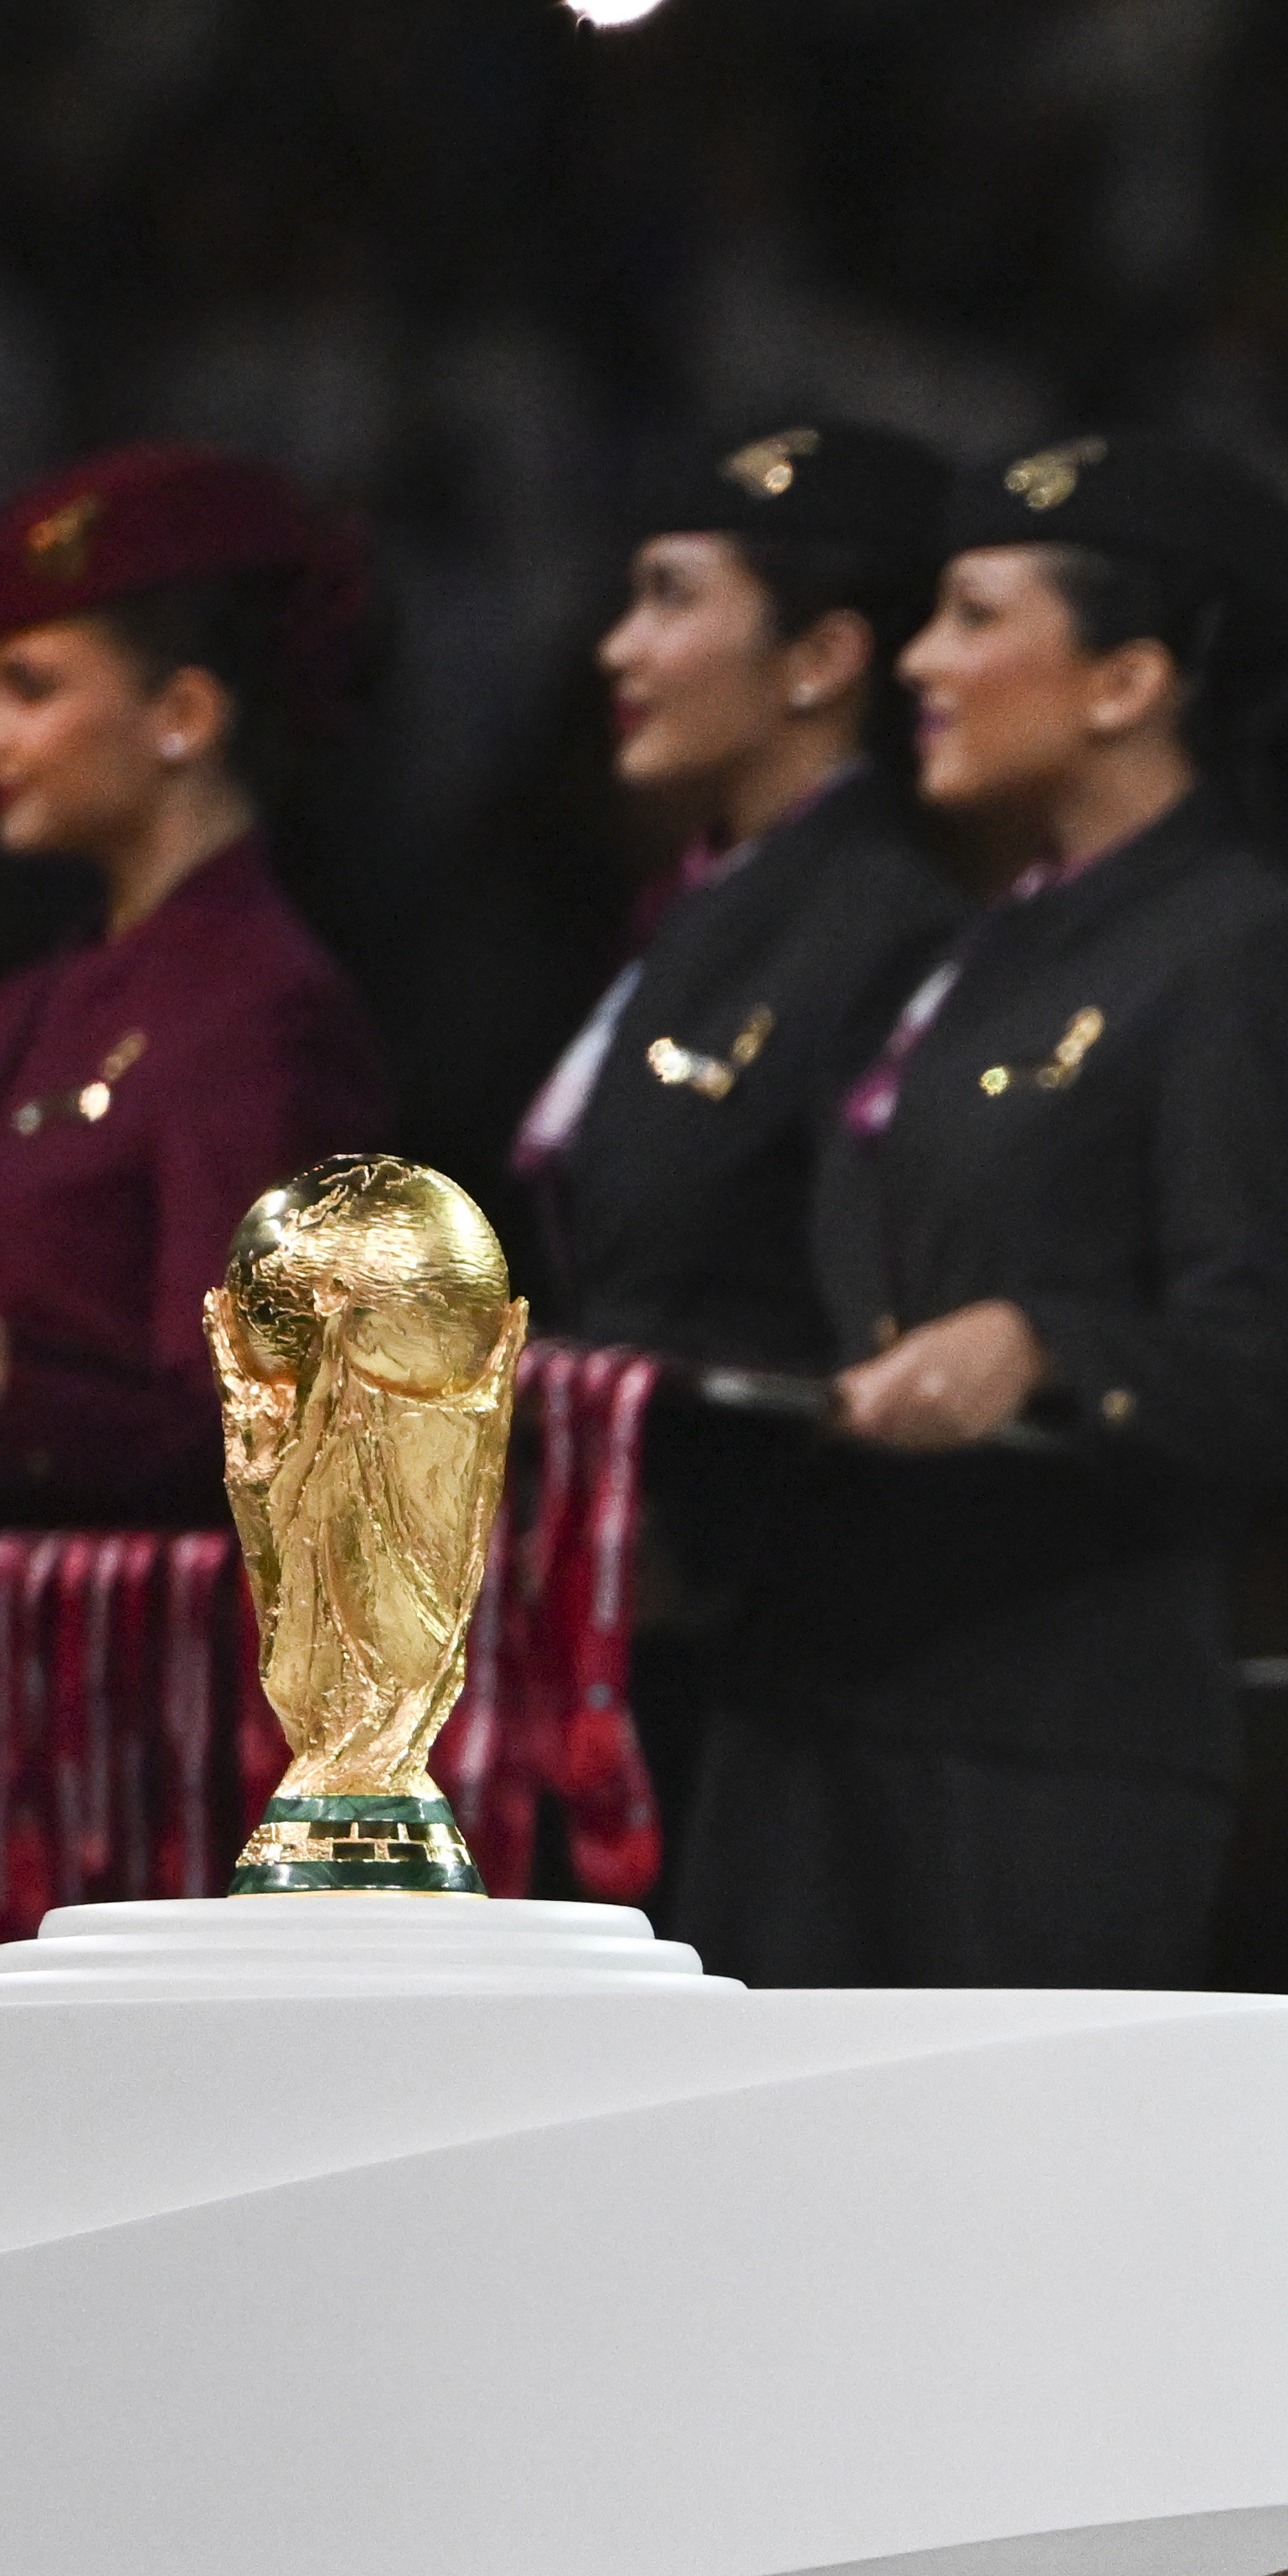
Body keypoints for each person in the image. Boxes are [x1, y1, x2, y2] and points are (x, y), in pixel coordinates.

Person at [539, 429, 1288, 2576]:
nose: (923, 657)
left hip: (1047, 1723)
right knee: (839, 2360)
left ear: (1132, 673)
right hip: (845, 1687)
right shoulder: (986, 939)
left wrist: (1053, 1349)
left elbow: (1269, 1362)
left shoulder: (1234, 951)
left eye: (980, 615)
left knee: (1107, 2370)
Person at [0, 435, 388, 2576]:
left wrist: (15, 1377)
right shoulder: (17, 1026)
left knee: (93, 2341)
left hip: (121, 1761)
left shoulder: (260, 1014)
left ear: (187, 710)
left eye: (33, 684)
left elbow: (302, 1430)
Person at [507, 415, 962, 1870]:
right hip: (620, 1619)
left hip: (755, 1647)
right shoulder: (701, 908)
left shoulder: (884, 926)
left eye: (671, 598)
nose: (619, 648)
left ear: (820, 660)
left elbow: (853, 1306)